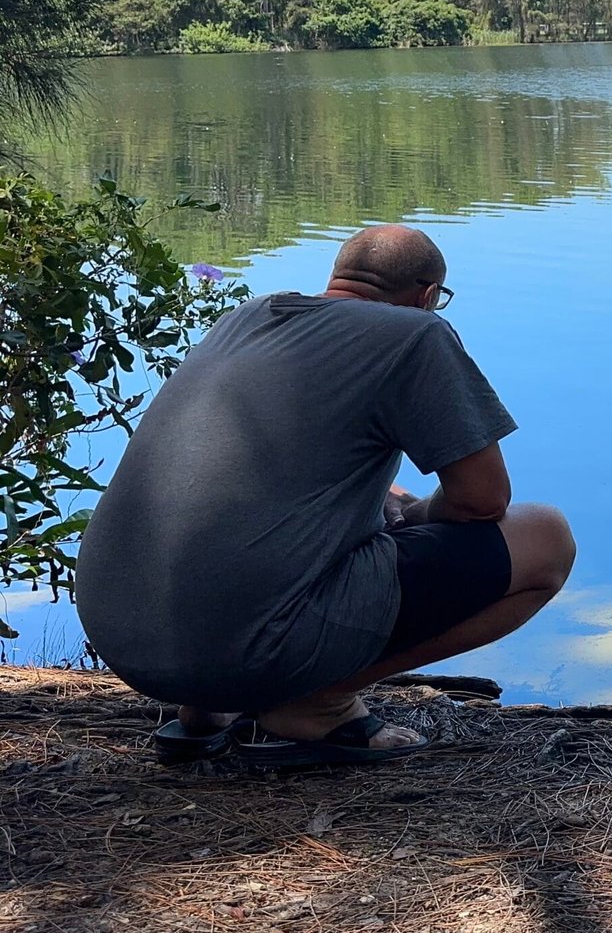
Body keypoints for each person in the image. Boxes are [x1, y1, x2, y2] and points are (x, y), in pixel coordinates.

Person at [75, 224, 574, 767]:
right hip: (235, 646)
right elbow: (482, 501)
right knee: (545, 539)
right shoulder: (415, 333)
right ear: (428, 296)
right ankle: (318, 704)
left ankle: (207, 707)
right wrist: (418, 516)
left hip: (123, 634)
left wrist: (385, 501)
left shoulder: (247, 318)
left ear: (339, 276)